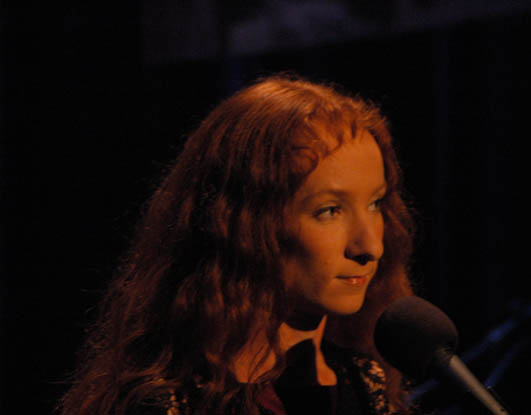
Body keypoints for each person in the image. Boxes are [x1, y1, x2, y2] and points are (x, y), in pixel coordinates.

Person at [58, 75, 418, 415]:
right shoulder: (170, 403)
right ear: (244, 225)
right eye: (329, 211)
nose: (370, 246)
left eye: (375, 204)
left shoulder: (365, 384)